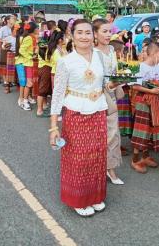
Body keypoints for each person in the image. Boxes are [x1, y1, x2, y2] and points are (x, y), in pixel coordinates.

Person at [49, 19, 110, 217]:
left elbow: (105, 82)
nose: (84, 36)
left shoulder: (100, 56)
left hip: (98, 111)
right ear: (72, 36)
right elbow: (58, 94)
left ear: (94, 36)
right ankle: (78, 199)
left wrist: (116, 84)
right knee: (78, 158)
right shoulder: (65, 61)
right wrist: (53, 127)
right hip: (76, 113)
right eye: (80, 33)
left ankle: (95, 196)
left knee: (97, 155)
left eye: (88, 33)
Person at [130, 42, 159, 173]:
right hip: (143, 102)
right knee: (141, 131)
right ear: (152, 53)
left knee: (151, 130)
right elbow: (134, 86)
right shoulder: (140, 67)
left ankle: (145, 156)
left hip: (156, 103)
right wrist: (151, 91)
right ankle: (135, 160)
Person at [94, 18, 124, 185]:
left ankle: (110, 168)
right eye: (104, 31)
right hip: (98, 96)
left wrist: (119, 80)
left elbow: (115, 71)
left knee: (112, 134)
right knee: (98, 134)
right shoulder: (92, 52)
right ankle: (98, 166)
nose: (108, 34)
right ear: (95, 34)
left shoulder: (112, 49)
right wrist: (110, 84)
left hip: (111, 94)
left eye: (109, 31)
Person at [15, 22, 39, 109]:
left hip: (27, 62)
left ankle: (25, 99)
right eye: (37, 28)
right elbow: (22, 50)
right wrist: (30, 57)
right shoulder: (28, 38)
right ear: (34, 29)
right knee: (26, 83)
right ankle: (23, 100)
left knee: (28, 83)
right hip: (25, 63)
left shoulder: (32, 37)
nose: (38, 29)